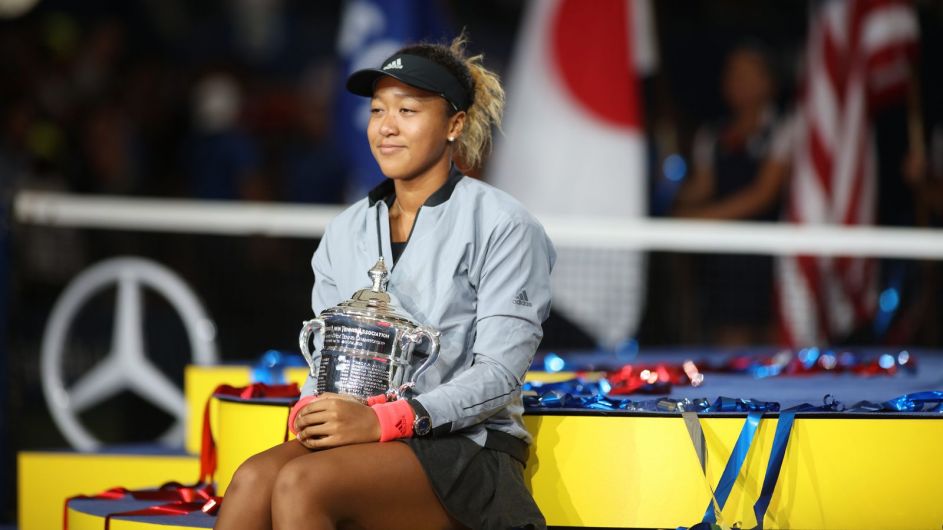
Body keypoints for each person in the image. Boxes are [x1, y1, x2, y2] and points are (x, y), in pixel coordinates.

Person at [215, 34, 555, 530]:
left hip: (466, 447)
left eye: (408, 111)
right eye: (378, 111)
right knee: (251, 479)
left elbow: (499, 375)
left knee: (301, 483)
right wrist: (313, 408)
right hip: (364, 435)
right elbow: (324, 360)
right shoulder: (344, 229)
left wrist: (388, 419)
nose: (386, 128)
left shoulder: (504, 223)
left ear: (454, 124)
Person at [673, 44, 793, 346]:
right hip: (724, 262)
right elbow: (702, 187)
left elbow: (763, 194)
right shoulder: (712, 135)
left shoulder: (786, 128)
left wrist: (698, 220)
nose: (734, 80)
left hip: (771, 259)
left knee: (772, 345)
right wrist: (671, 197)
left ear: (768, 82)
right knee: (728, 342)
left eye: (745, 73)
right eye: (730, 73)